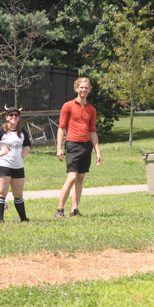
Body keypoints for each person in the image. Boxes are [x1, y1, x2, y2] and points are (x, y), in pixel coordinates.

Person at [55, 77, 102, 218]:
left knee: (80, 178)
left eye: (86, 87)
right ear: (76, 89)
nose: (84, 90)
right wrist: (59, 148)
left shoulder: (91, 109)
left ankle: (74, 210)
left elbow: (92, 131)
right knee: (71, 178)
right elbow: (61, 128)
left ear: (89, 89)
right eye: (81, 87)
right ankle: (59, 210)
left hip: (86, 146)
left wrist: (98, 152)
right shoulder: (68, 106)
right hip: (72, 144)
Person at [0, 107, 32, 224]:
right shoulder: (1, 131)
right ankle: (0, 221)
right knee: (2, 193)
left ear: (19, 118)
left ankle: (23, 219)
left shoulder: (22, 131)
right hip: (4, 165)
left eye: (16, 115)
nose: (13, 116)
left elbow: (27, 144)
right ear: (7, 117)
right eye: (11, 115)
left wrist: (23, 154)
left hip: (18, 166)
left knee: (18, 195)